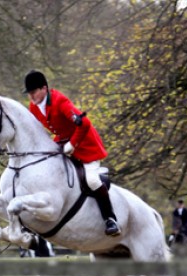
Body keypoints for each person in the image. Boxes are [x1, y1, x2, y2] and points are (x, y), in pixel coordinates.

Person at [22, 70, 121, 237]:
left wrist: (73, 144)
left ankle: (110, 220)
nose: (31, 96)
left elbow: (85, 124)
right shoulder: (34, 107)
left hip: (85, 145)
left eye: (33, 92)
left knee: (92, 179)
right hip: (62, 142)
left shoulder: (60, 101)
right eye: (29, 93)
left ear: (44, 88)